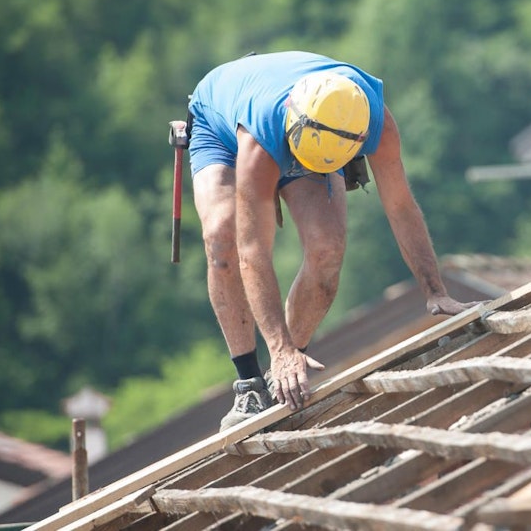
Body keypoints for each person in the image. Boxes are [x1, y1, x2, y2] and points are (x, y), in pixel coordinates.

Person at [185, 51, 480, 430]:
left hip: (319, 137)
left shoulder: (371, 119)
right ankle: (249, 384)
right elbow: (252, 253)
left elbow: (401, 205)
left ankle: (286, 374)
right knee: (221, 240)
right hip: (224, 128)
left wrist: (435, 290)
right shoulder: (260, 142)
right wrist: (276, 347)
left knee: (327, 250)